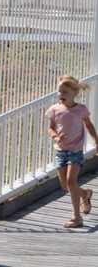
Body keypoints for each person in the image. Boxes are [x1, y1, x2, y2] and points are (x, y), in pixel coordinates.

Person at [45, 75, 98, 229]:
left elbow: (88, 125)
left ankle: (77, 217)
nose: (60, 95)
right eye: (59, 91)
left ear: (74, 93)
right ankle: (85, 194)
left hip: (75, 150)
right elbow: (50, 127)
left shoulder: (81, 109)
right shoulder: (54, 109)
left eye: (65, 92)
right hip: (60, 150)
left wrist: (96, 139)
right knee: (64, 185)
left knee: (70, 182)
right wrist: (55, 136)